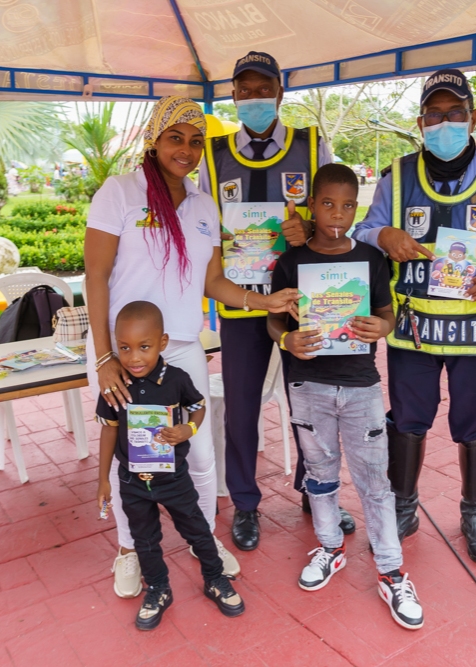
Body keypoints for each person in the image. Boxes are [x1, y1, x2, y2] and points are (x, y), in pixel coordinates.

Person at [84, 96, 299, 600]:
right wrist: (104, 358)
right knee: (129, 455)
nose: (186, 149)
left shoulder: (205, 205)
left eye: (195, 140)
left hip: (180, 348)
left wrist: (263, 300)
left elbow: (214, 281)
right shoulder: (119, 193)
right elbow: (95, 277)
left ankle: (203, 541)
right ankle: (129, 549)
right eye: (175, 138)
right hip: (127, 353)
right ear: (154, 140)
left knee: (198, 451)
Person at [352, 68, 476, 564]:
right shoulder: (397, 177)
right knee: (407, 418)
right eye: (433, 115)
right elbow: (366, 228)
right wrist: (383, 237)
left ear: (473, 117)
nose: (444, 123)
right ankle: (403, 505)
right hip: (414, 325)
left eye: (454, 113)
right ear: (420, 122)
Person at [198, 51, 356, 552]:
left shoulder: (311, 144)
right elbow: (204, 228)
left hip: (302, 299)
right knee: (241, 407)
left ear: (280, 94)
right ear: (233, 96)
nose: (252, 98)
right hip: (241, 305)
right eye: (243, 90)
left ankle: (317, 493)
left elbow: (333, 216)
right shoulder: (213, 152)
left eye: (262, 89)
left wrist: (308, 227)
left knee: (311, 402)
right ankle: (245, 503)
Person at [268, 164, 425, 630]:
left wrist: (385, 326)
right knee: (319, 474)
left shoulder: (372, 260)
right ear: (312, 205)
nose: (338, 213)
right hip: (307, 385)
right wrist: (285, 339)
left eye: (348, 204)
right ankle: (330, 546)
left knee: (375, 479)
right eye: (328, 203)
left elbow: (385, 313)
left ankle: (392, 569)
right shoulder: (291, 261)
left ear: (357, 208)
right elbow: (274, 318)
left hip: (361, 385)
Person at [97, 301, 245, 630]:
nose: (134, 357)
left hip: (173, 478)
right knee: (145, 539)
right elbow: (108, 431)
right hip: (133, 481)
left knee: (197, 531)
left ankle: (215, 579)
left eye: (144, 347)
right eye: (125, 348)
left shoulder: (176, 379)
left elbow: (197, 407)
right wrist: (103, 480)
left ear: (162, 343)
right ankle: (159, 589)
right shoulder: (116, 385)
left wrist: (187, 430)